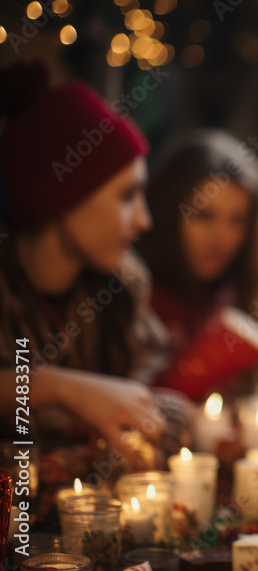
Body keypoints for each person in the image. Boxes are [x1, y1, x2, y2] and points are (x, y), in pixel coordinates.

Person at [0, 62, 166, 463]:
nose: (145, 220)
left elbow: (147, 388)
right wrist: (57, 387)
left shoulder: (121, 285)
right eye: (127, 197)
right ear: (61, 196)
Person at [137, 130, 258, 400]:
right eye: (204, 216)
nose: (221, 238)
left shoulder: (238, 294)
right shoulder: (135, 297)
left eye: (237, 220)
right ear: (169, 213)